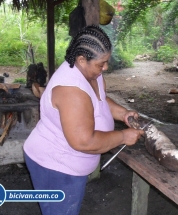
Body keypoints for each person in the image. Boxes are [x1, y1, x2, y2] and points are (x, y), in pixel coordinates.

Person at [23, 25, 144, 215]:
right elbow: (84, 141)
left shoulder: (90, 72)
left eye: (106, 61)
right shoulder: (71, 91)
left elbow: (100, 100)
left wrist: (122, 114)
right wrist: (122, 136)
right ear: (81, 59)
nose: (105, 67)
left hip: (66, 165)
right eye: (101, 63)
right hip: (55, 167)